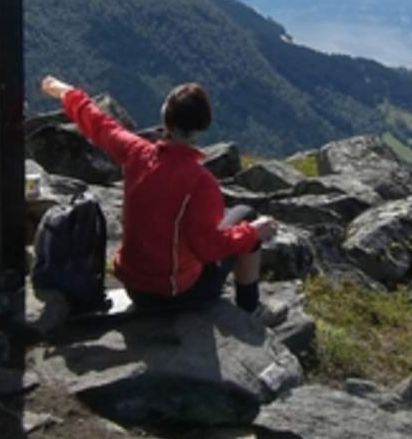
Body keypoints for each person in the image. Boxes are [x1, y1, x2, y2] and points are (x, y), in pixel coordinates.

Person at [38, 74, 276, 315]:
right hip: (172, 292)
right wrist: (252, 233)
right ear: (203, 125)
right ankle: (251, 308)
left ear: (165, 117)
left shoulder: (137, 153)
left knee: (234, 224)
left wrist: (65, 92)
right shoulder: (201, 182)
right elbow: (207, 249)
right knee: (246, 215)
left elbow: (100, 125)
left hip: (133, 284)